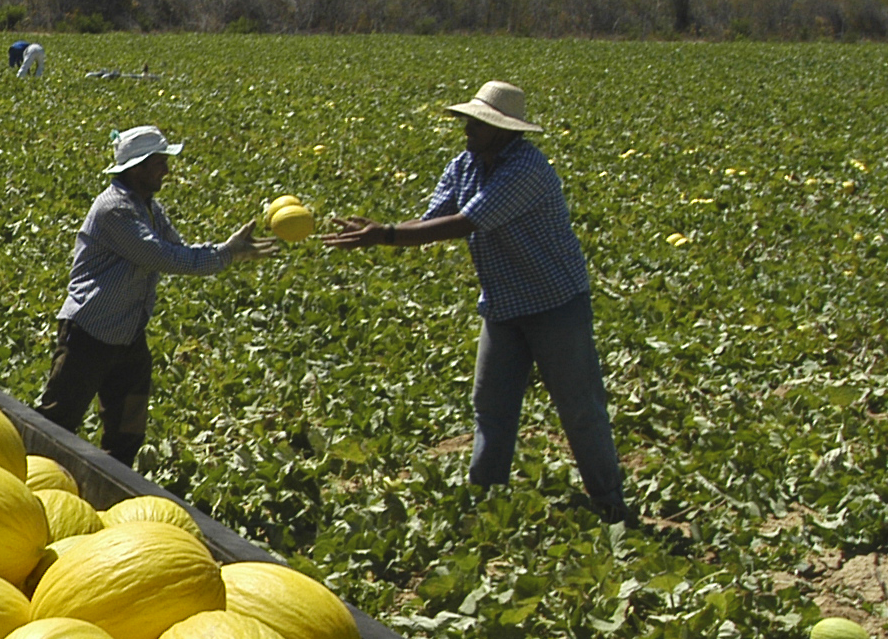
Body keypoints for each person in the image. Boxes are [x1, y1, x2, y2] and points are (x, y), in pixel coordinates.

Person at [321, 80, 630, 521]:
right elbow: (433, 220)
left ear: (503, 130)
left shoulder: (526, 169)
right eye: (468, 120)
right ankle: (486, 503)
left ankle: (609, 500)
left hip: (554, 302)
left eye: (477, 122)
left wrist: (385, 235)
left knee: (580, 408)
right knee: (491, 406)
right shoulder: (464, 165)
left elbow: (466, 222)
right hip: (502, 305)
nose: (467, 128)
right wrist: (383, 232)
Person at [36, 125, 274, 468]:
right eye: (160, 162)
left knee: (128, 429)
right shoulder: (115, 210)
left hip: (129, 336)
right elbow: (163, 257)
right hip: (90, 333)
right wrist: (226, 253)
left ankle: (113, 484)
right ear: (137, 168)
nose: (167, 170)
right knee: (57, 423)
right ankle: (34, 480)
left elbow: (177, 249)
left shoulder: (148, 207)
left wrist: (229, 252)